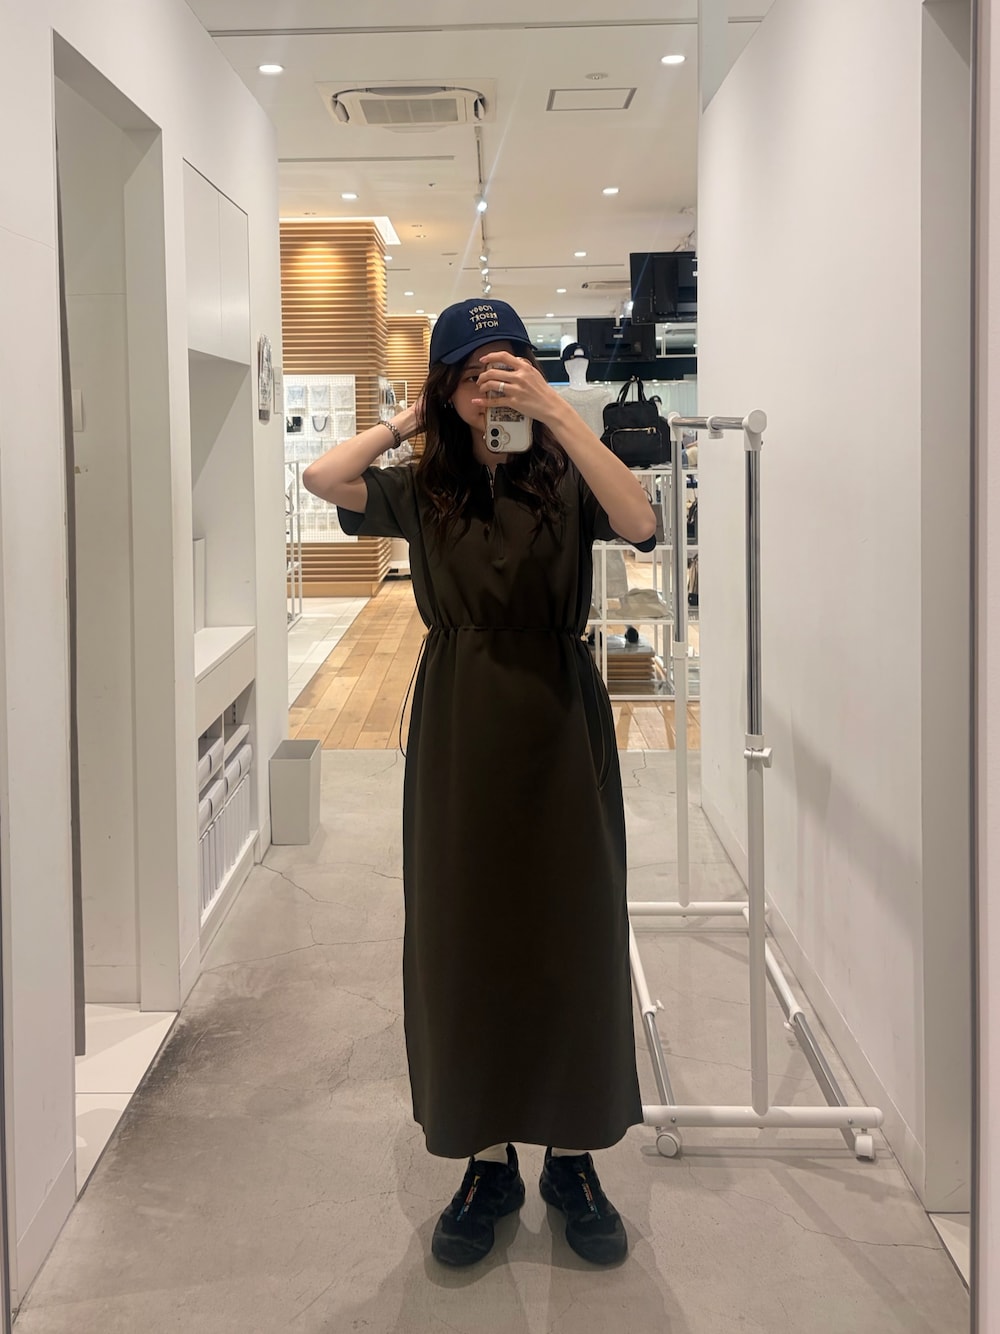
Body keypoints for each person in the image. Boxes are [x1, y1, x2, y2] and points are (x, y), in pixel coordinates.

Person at [302, 298, 656, 1269]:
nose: (491, 387)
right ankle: (486, 1157)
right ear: (445, 387)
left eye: (509, 368)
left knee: (574, 928)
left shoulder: (566, 474)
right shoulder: (425, 488)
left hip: (558, 714)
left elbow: (640, 520)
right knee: (463, 933)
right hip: (459, 720)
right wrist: (410, 418)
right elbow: (322, 476)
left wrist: (558, 412)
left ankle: (574, 1157)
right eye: (473, 373)